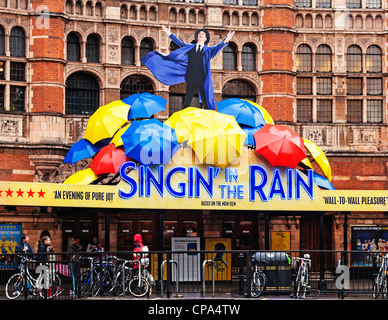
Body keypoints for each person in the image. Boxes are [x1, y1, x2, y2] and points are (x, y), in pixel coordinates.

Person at [141, 25, 235, 110]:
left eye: (203, 34)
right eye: (199, 34)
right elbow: (180, 43)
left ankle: (208, 114)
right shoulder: (190, 47)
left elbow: (219, 46)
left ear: (206, 38)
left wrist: (227, 39)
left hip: (202, 77)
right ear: (197, 37)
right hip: (190, 75)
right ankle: (184, 114)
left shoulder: (209, 50)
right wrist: (169, 33)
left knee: (205, 97)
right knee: (188, 97)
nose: (201, 35)